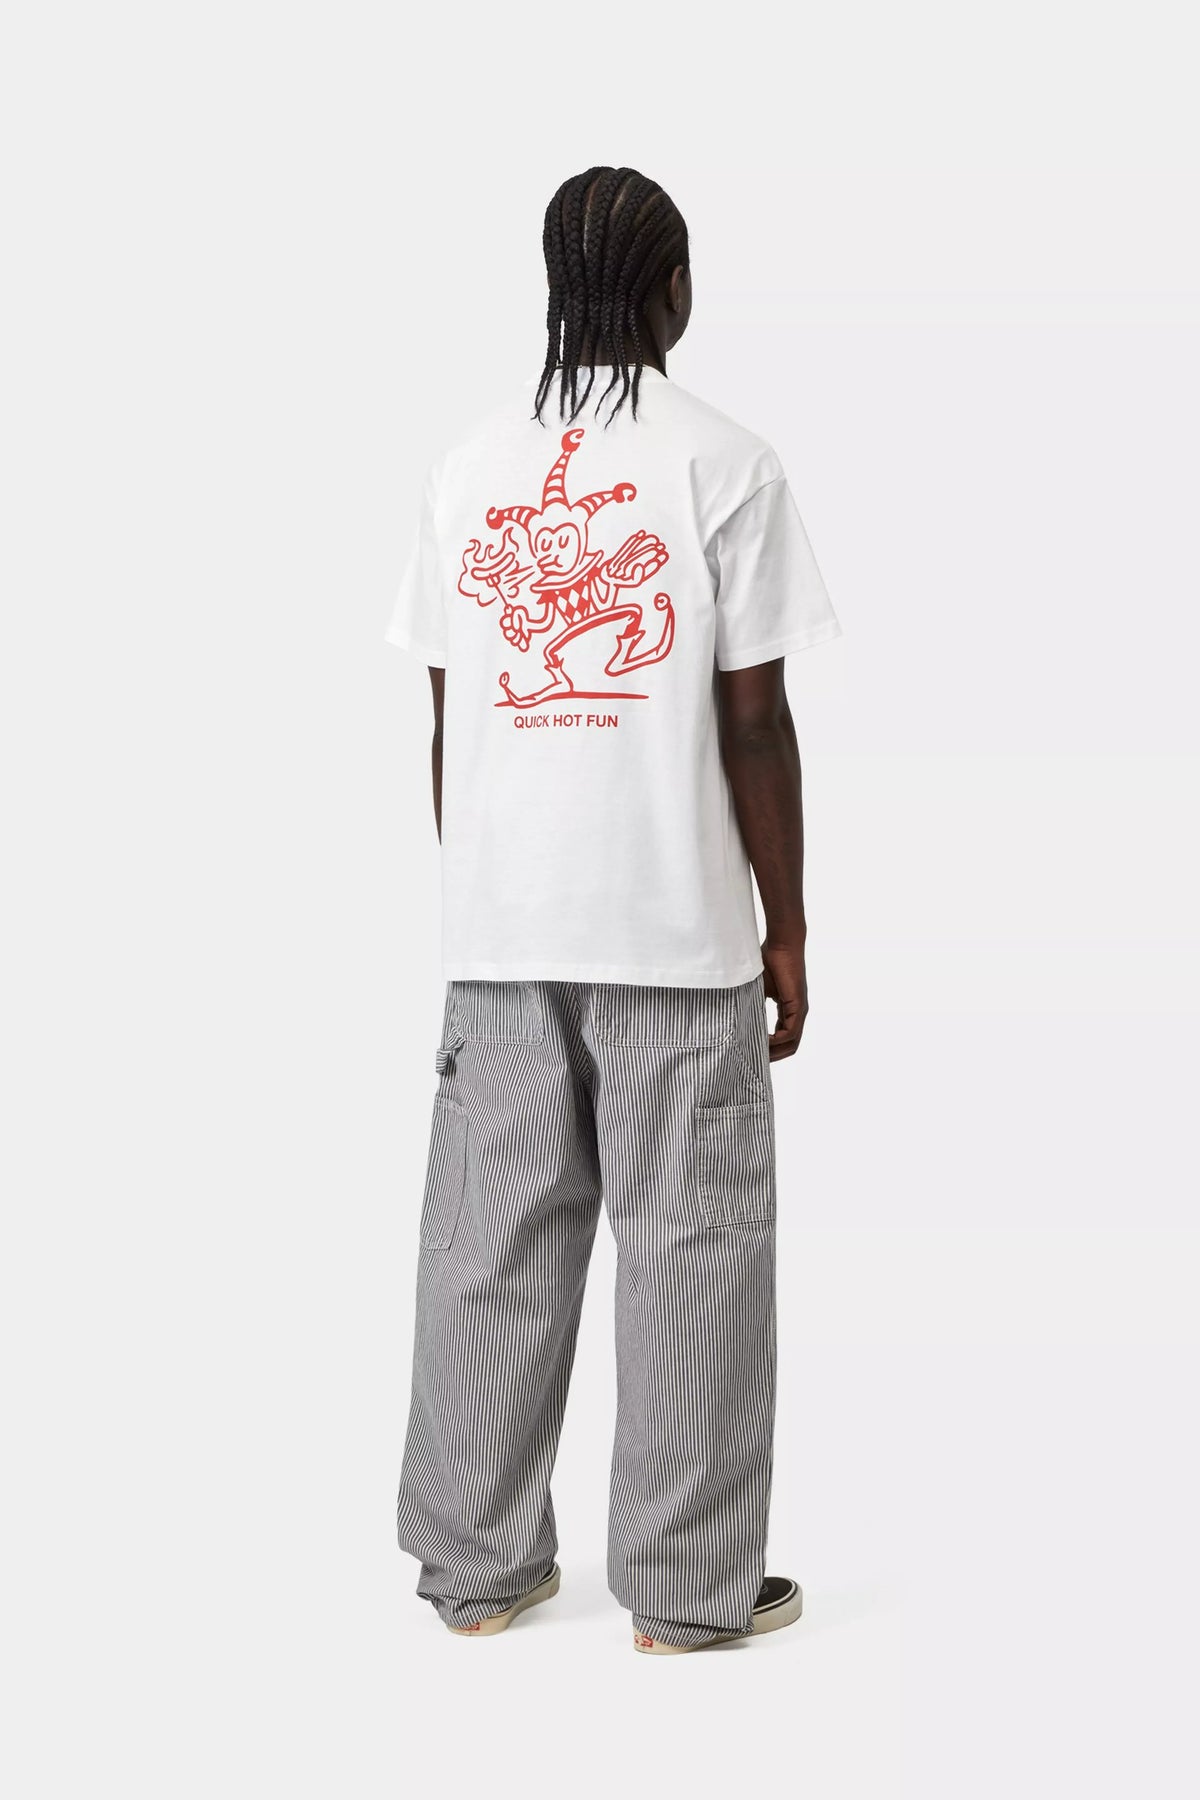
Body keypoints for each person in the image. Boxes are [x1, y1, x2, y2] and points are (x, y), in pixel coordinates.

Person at [386, 166, 841, 1654]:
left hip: (501, 942)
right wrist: (787, 926)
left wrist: (486, 890)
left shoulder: (467, 470)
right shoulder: (727, 464)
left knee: (486, 1258)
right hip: (677, 937)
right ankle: (690, 1598)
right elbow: (757, 722)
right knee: (694, 1254)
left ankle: (475, 1571)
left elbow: (449, 713)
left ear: (553, 287)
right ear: (673, 291)